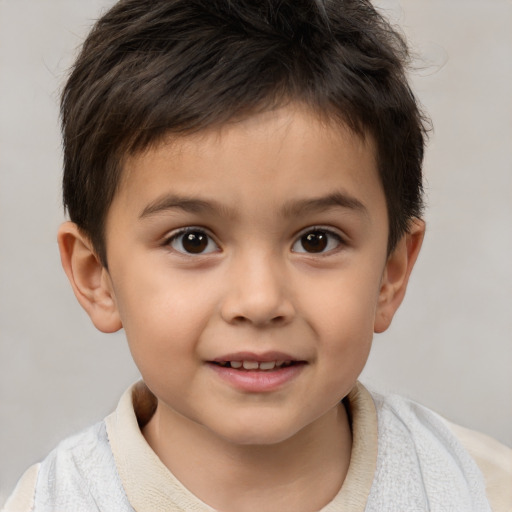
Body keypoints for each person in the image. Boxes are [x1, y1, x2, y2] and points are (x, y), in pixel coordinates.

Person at [3, 0, 511, 511]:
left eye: (316, 240)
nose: (260, 300)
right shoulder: (49, 502)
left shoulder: (481, 490)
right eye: (193, 240)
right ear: (97, 277)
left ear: (391, 274)